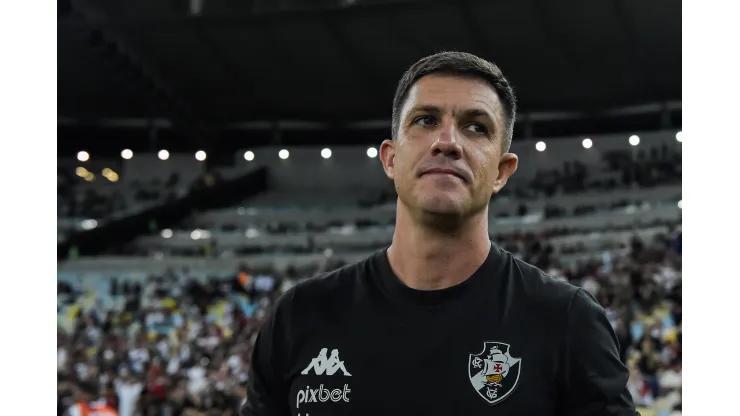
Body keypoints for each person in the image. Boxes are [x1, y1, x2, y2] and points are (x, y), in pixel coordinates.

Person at [241, 51, 638, 415]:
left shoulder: (567, 322)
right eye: (426, 120)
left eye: (476, 127)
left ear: (501, 172)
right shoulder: (298, 317)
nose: (447, 141)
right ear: (391, 158)